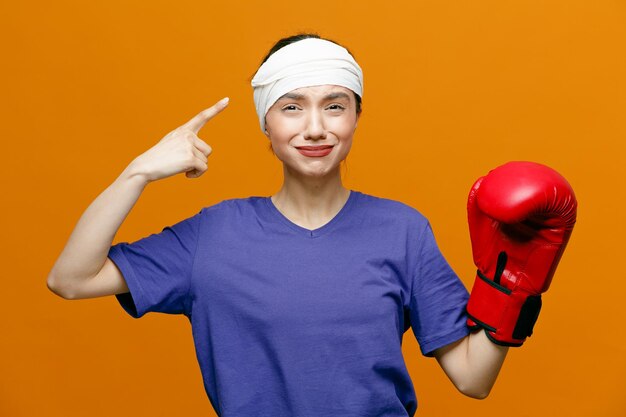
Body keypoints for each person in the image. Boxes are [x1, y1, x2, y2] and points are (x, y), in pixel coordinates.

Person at [47, 33, 511, 416]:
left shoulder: (403, 230)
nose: (315, 128)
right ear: (265, 124)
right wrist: (138, 173)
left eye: (334, 106)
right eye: (291, 107)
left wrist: (517, 286)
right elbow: (71, 279)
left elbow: (473, 379)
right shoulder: (213, 235)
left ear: (356, 117)